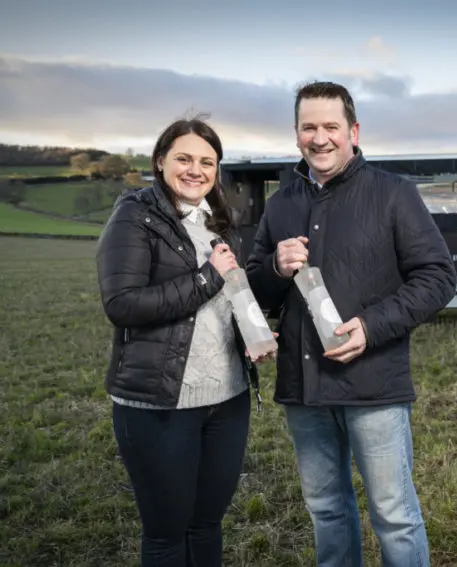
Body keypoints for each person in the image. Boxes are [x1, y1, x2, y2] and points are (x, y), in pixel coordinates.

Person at [246, 81, 457, 566]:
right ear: (296, 134)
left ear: (353, 131)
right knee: (326, 510)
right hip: (304, 390)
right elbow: (256, 290)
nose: (320, 138)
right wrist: (275, 267)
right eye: (308, 127)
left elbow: (439, 276)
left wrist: (371, 326)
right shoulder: (280, 204)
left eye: (331, 127)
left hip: (374, 386)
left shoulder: (393, 194)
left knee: (394, 514)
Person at [95, 116, 272, 566]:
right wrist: (206, 276)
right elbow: (123, 304)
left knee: (207, 524)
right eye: (185, 158)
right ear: (160, 161)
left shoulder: (219, 224)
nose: (196, 170)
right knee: (167, 534)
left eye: (207, 162)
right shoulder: (135, 216)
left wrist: (252, 331)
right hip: (161, 405)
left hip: (228, 400)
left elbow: (229, 300)